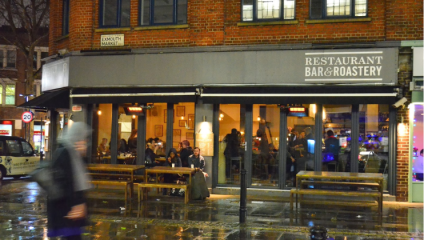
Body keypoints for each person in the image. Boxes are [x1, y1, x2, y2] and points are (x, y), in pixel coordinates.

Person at [47, 122, 92, 240]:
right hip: (68, 211)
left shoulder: (71, 152)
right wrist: (77, 203)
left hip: (69, 211)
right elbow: (70, 182)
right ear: (77, 137)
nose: (86, 143)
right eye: (83, 139)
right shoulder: (66, 153)